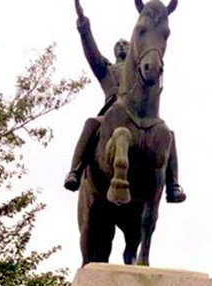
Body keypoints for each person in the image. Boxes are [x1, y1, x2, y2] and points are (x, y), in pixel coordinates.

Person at [64, 5, 185, 203]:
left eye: (124, 44)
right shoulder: (108, 69)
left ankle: (172, 184)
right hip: (114, 112)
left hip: (143, 114)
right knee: (91, 123)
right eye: (117, 45)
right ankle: (75, 170)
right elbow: (92, 55)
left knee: (168, 135)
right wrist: (83, 27)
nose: (121, 46)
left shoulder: (143, 69)